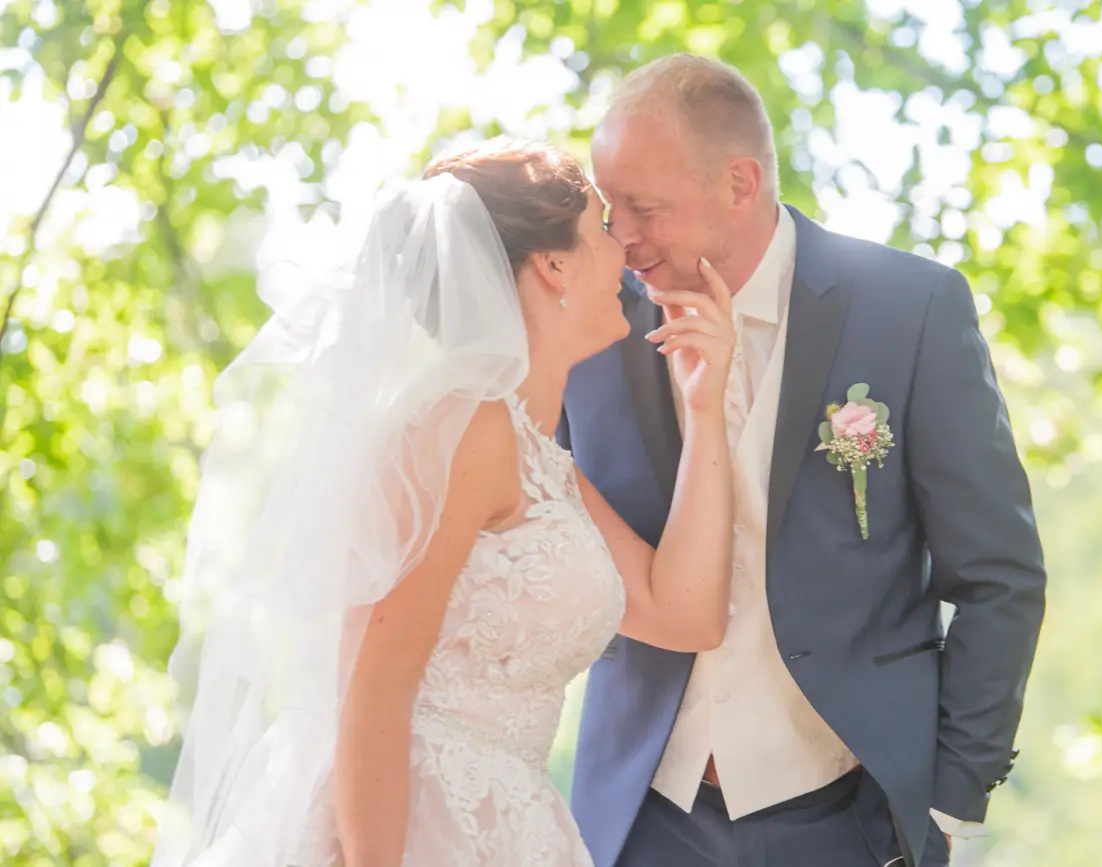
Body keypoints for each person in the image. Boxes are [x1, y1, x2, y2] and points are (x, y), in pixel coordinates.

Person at [150, 139, 738, 867]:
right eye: (602, 228)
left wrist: (705, 406)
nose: (624, 248)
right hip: (410, 824)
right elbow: (372, 690)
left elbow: (685, 614)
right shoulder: (462, 428)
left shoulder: (543, 463)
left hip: (514, 829)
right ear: (554, 265)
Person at [562, 55, 1048, 867]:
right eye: (610, 207)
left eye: (645, 208)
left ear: (740, 183)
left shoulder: (909, 308)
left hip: (850, 817)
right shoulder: (589, 321)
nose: (621, 237)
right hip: (638, 816)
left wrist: (950, 799)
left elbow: (999, 576)